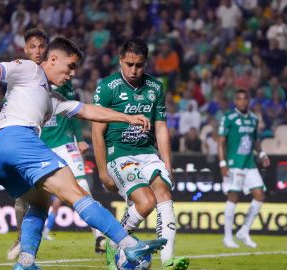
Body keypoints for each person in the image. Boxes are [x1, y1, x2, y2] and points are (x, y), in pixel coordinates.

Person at [0, 37, 166, 270]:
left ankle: (25, 262)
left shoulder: (53, 99)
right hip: (17, 139)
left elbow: (88, 110)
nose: (72, 74)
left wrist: (127, 118)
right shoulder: (30, 69)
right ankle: (128, 243)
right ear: (54, 59)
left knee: (39, 203)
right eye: (70, 66)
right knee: (76, 191)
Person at [6, 28, 105, 261]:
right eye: (33, 46)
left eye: (42, 46)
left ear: (49, 51)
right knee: (24, 198)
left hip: (62, 140)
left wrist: (79, 138)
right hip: (35, 143)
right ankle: (21, 238)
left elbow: (72, 108)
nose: (38, 51)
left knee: (82, 185)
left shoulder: (62, 75)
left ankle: (99, 236)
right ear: (25, 49)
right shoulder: (21, 76)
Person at [92, 37, 189, 270]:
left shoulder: (156, 87)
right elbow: (97, 132)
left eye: (139, 65)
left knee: (163, 193)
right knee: (146, 203)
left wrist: (168, 164)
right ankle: (115, 244)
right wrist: (103, 171)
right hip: (120, 155)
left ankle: (168, 262)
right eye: (129, 64)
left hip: (147, 153)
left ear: (146, 63)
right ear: (120, 61)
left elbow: (162, 128)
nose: (134, 70)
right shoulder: (107, 87)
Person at [218, 89, 270, 248]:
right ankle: (227, 237)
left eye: (245, 99)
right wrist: (222, 163)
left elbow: (256, 141)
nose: (242, 101)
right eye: (239, 99)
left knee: (260, 195)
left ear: (249, 101)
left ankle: (243, 231)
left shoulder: (254, 119)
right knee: (233, 197)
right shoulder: (229, 117)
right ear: (235, 101)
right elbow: (221, 142)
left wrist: (262, 154)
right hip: (234, 164)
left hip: (250, 164)